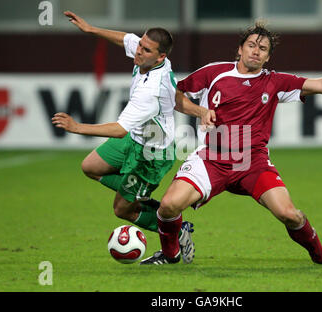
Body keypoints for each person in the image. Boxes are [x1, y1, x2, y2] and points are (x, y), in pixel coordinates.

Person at [140, 21, 322, 265]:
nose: (256, 51)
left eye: (263, 48)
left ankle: (321, 256)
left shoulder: (275, 82)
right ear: (240, 49)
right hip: (212, 158)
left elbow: (320, 84)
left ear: (268, 57)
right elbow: (175, 95)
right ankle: (170, 254)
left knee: (289, 215)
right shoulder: (214, 72)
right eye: (251, 45)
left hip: (252, 163)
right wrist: (200, 111)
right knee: (169, 206)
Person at [52, 11, 209, 264]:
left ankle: (175, 228)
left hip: (151, 154)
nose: (138, 51)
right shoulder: (151, 57)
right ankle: (146, 201)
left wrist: (78, 127)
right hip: (135, 139)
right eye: (141, 45)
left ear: (161, 56)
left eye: (146, 50)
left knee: (121, 209)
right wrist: (92, 29)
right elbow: (126, 39)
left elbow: (119, 128)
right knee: (90, 166)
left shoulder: (150, 92)